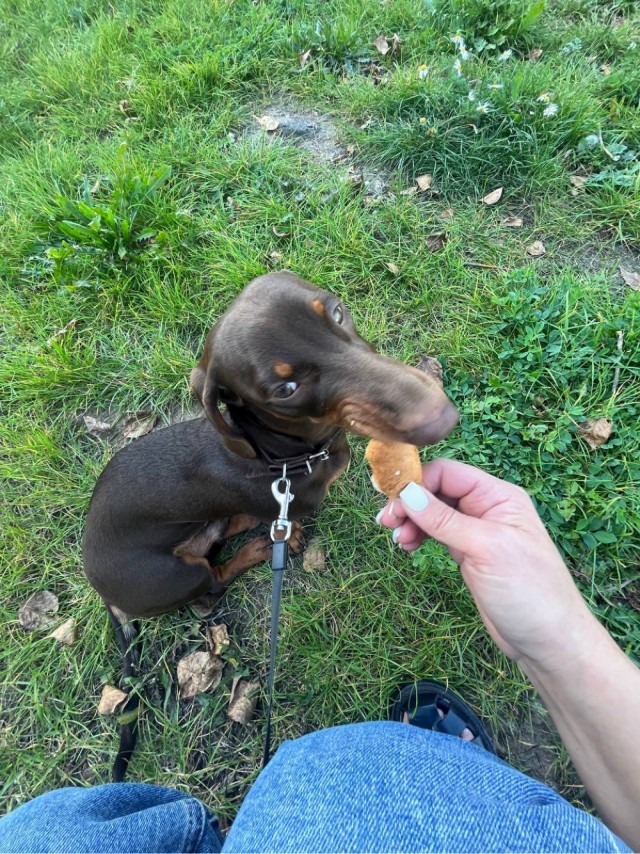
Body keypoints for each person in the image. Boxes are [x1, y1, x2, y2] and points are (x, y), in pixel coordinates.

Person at [1, 459, 638, 853]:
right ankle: (447, 782)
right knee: (341, 778)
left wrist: (551, 638)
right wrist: (559, 643)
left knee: (39, 835)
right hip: (155, 569)